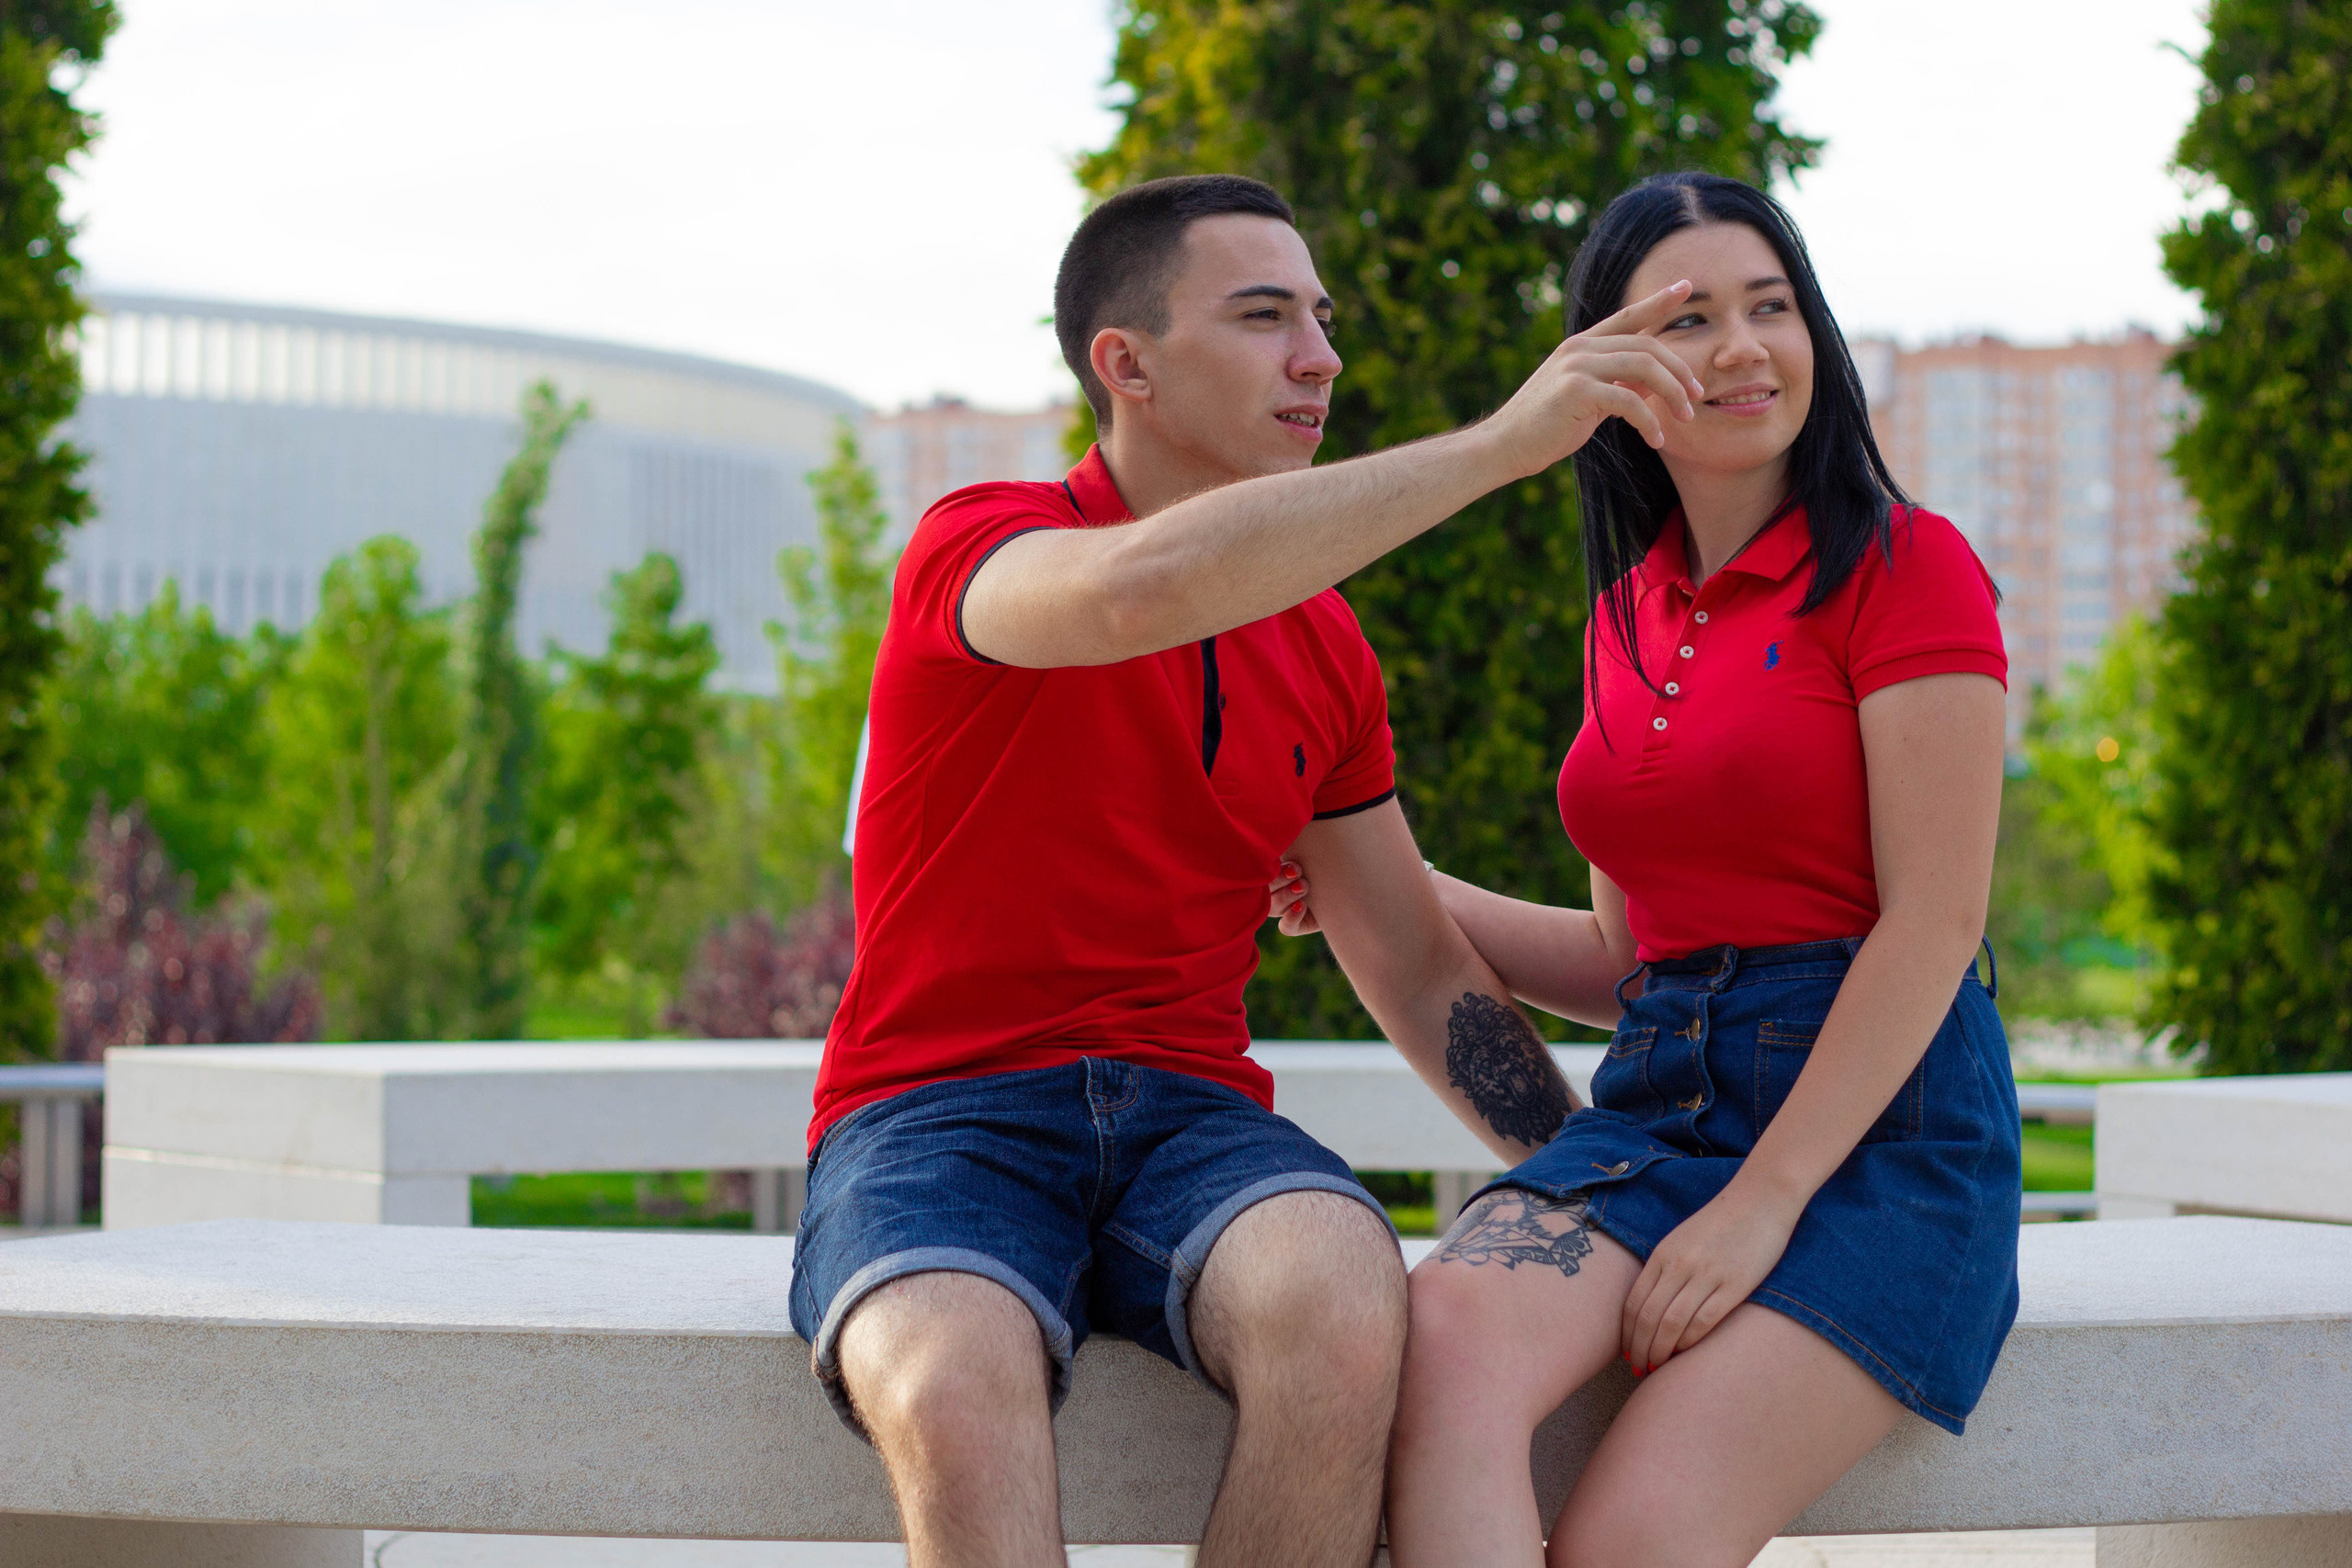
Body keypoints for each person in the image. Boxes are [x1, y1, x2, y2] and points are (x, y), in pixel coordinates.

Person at [786, 172, 1718, 1568]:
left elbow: (1407, 957)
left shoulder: (1328, 649)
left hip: (1191, 1123)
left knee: (1349, 1309)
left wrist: (1597, 1185)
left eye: (1323, 318)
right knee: (951, 1385)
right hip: (939, 1115)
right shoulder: (980, 544)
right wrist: (1499, 447)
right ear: (1128, 364)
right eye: (1265, 315)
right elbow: (1134, 594)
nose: (1322, 356)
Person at [1275, 171, 2018, 1568]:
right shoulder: (1625, 614)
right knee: (1440, 1341)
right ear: (1607, 373)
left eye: (1772, 307)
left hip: (1877, 1147)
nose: (1742, 348)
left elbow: (1937, 920)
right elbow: (1641, 968)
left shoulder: (1908, 568)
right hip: (1660, 1116)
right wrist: (1394, 888)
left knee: (1630, 1543)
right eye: (1688, 321)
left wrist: (1764, 1202)